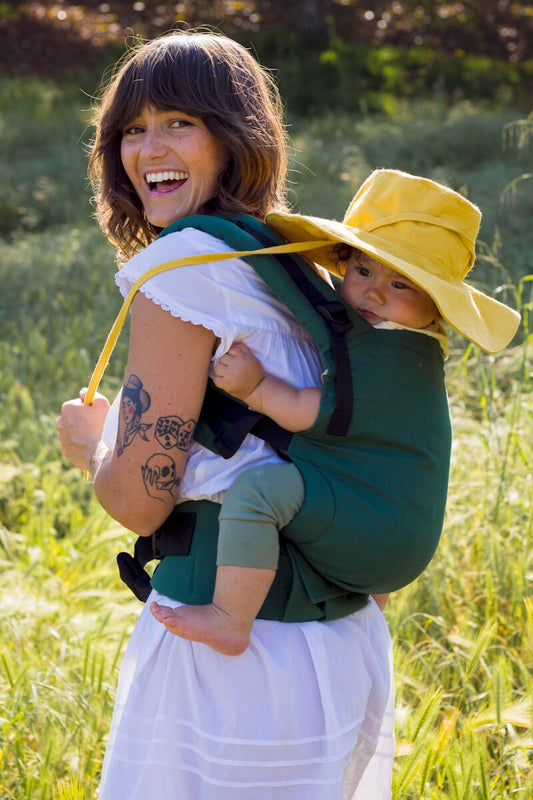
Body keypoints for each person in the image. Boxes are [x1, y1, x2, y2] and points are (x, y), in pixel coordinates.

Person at [57, 30, 397, 800]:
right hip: (343, 638)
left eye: (179, 121)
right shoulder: (304, 265)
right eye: (131, 130)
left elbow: (143, 495)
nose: (148, 150)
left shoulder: (178, 275)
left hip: (233, 653)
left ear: (234, 138)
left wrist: (90, 446)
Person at [151, 169, 521, 657]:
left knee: (259, 493)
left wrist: (258, 388)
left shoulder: (385, 355)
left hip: (374, 525)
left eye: (401, 284)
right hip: (399, 527)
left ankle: (229, 617)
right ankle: (365, 601)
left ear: (436, 306)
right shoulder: (418, 348)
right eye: (363, 271)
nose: (374, 293)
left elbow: (317, 414)